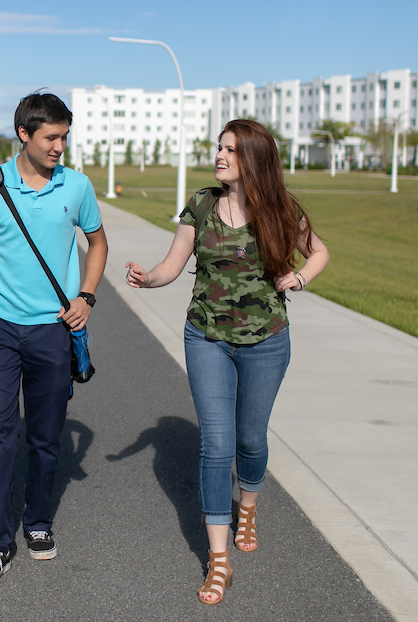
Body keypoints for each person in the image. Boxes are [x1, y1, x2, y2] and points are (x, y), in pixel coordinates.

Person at [124, 119, 329, 606]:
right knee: (216, 445)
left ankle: (249, 506)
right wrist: (148, 278)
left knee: (249, 439)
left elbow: (318, 253)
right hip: (207, 338)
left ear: (252, 158)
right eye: (218, 148)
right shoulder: (200, 204)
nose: (219, 156)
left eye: (230, 150)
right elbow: (174, 264)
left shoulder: (280, 209)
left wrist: (298, 280)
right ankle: (219, 560)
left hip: (266, 340)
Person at [0, 92, 108, 586]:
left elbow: (97, 243)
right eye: (51, 137)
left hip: (54, 331)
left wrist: (87, 297)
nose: (60, 146)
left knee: (45, 437)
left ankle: (37, 522)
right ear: (24, 134)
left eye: (64, 136)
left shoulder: (77, 186)